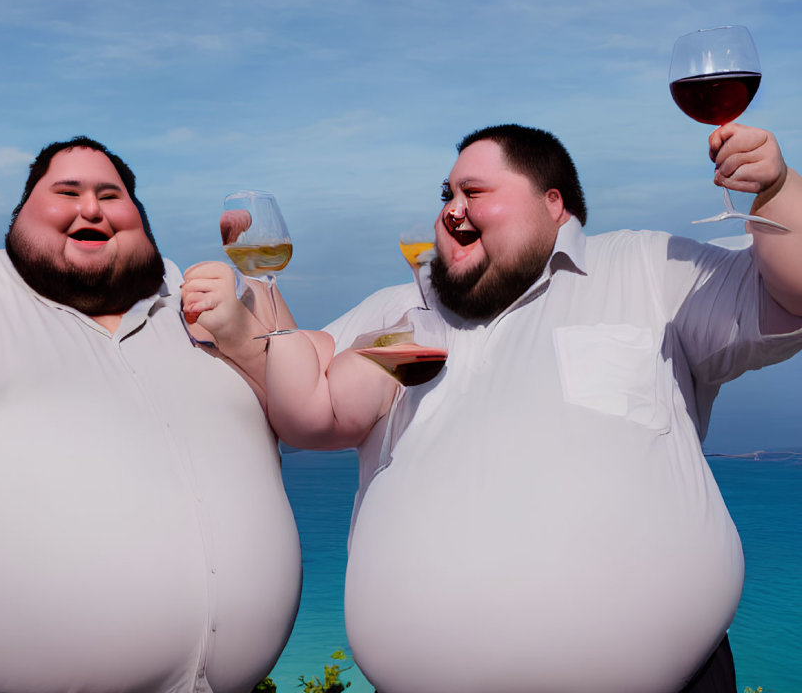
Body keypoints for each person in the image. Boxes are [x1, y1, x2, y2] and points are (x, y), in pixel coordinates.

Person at [194, 122, 802, 692]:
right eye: (445, 193)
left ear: (553, 204)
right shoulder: (400, 308)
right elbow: (304, 384)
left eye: (473, 190)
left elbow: (788, 296)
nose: (451, 208)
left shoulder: (644, 266)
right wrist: (258, 280)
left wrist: (775, 190)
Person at [0, 121, 301, 693]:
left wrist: (258, 289)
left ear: (143, 220)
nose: (91, 207)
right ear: (19, 218)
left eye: (112, 196)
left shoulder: (205, 303)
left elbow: (304, 406)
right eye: (66, 193)